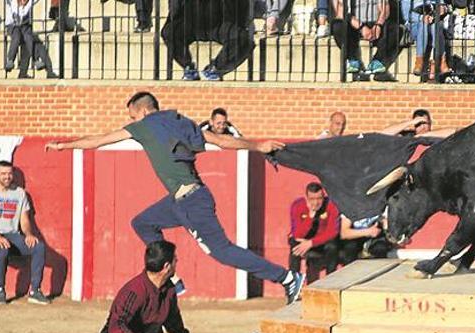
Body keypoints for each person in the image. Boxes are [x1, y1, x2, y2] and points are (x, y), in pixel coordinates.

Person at [46, 92, 305, 304]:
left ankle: (287, 278)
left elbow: (99, 141)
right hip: (181, 200)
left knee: (223, 252)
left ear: (144, 111)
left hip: (191, 201)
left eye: (132, 115)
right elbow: (222, 141)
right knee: (143, 223)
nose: (131, 120)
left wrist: (63, 146)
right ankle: (171, 277)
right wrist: (258, 146)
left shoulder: (143, 126)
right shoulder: (183, 123)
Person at [0, 160, 50, 304]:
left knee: (38, 247)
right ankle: (0, 290)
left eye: (9, 174)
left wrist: (28, 234)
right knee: (2, 248)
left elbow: (24, 221)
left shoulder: (20, 193)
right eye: (3, 174)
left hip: (13, 235)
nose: (7, 177)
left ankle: (35, 291)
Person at [163, 0, 254, 81]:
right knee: (170, 32)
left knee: (242, 38)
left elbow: (241, 6)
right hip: (190, 22)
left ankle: (215, 68)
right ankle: (188, 68)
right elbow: (175, 8)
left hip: (220, 24)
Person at [331, 0, 402, 81]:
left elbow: (384, 8)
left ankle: (378, 62)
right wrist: (361, 27)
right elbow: (340, 11)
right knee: (338, 26)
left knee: (395, 29)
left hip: (376, 22)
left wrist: (378, 25)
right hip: (353, 23)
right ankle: (354, 60)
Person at [289, 182, 341, 283]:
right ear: (307, 198)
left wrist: (311, 242)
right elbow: (297, 234)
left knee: (333, 246)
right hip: (303, 240)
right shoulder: (298, 205)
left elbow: (332, 232)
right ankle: (293, 285)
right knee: (294, 247)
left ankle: (330, 283)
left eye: (319, 198)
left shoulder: (331, 205)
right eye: (312, 199)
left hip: (322, 242)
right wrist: (311, 216)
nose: (316, 203)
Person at [402, 0, 451, 78]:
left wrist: (443, 9)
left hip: (433, 20)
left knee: (434, 25)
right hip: (415, 24)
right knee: (423, 24)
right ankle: (421, 61)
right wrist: (421, 17)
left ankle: (441, 60)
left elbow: (444, 6)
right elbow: (406, 15)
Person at [381, 108, 457, 138]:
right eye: (418, 124)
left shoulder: (435, 135)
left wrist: (424, 135)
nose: (422, 127)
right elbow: (382, 134)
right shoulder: (408, 136)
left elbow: (455, 131)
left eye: (424, 123)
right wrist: (410, 122)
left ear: (430, 124)